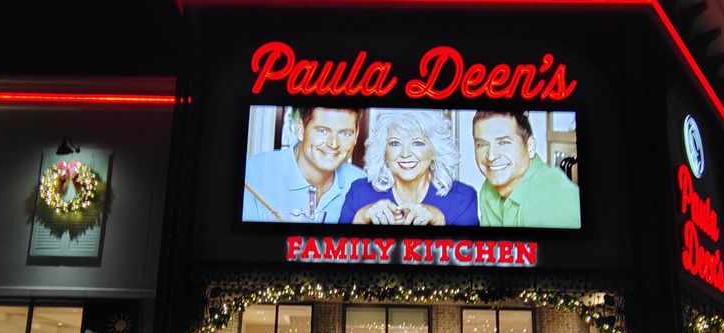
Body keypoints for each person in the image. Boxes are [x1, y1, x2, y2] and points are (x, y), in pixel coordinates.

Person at [339, 110, 478, 226]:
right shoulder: (358, 193)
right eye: (395, 143)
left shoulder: (462, 199)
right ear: (383, 150)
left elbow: (470, 256)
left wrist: (442, 223)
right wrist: (358, 220)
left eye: (417, 143)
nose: (405, 154)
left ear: (435, 149)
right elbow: (335, 253)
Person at [243, 107, 365, 223]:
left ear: (356, 135)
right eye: (322, 131)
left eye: (345, 133)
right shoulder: (253, 172)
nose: (333, 144)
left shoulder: (361, 182)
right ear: (301, 130)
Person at [473, 111, 580, 228]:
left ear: (531, 147)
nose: (491, 156)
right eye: (482, 145)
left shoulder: (551, 194)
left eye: (503, 142)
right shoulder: (488, 189)